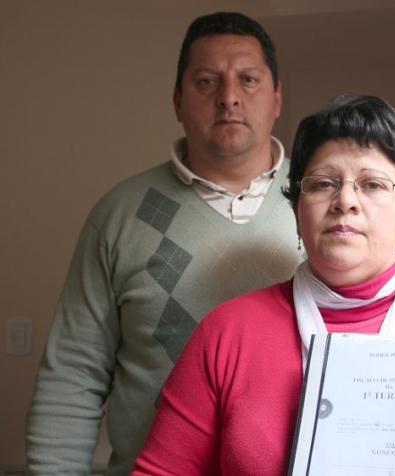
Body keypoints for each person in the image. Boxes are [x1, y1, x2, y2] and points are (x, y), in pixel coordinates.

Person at [132, 94, 395, 475]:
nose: (345, 201)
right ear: (297, 213)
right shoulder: (226, 336)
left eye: (372, 185)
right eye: (323, 184)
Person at [26, 12, 301, 475]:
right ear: (177, 101)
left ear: (277, 98)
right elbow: (72, 375)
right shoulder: (118, 216)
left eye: (248, 80)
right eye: (206, 82)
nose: (229, 97)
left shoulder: (324, 203)